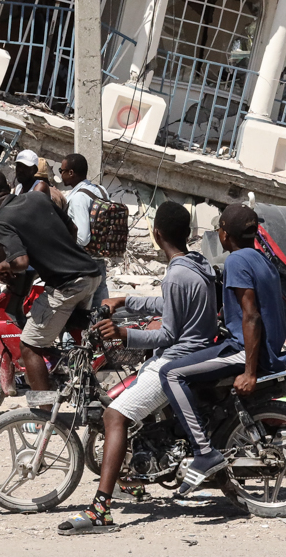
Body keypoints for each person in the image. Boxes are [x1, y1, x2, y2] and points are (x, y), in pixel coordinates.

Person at [58, 201, 216, 535]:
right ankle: (128, 477)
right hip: (194, 351)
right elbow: (168, 305)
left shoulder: (176, 274)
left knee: (114, 415)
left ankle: (101, 509)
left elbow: (169, 333)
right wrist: (125, 301)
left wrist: (123, 334)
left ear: (156, 235)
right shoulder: (195, 264)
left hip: (175, 359)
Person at [159, 203, 286, 495]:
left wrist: (249, 371)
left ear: (224, 234)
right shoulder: (261, 258)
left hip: (247, 350)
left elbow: (251, 316)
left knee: (170, 373)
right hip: (265, 346)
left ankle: (204, 452)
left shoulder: (236, 262)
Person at [0, 170, 101, 397]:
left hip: (67, 283)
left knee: (29, 347)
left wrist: (3, 267)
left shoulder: (2, 221)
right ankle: (85, 394)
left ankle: (43, 414)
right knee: (75, 336)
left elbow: (20, 261)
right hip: (90, 274)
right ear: (9, 186)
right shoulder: (38, 197)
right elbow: (72, 229)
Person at [60, 153, 111, 304]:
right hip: (100, 256)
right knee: (100, 299)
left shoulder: (77, 199)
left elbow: (82, 237)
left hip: (83, 261)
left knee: (82, 305)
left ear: (71, 172)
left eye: (61, 171)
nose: (60, 174)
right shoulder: (100, 190)